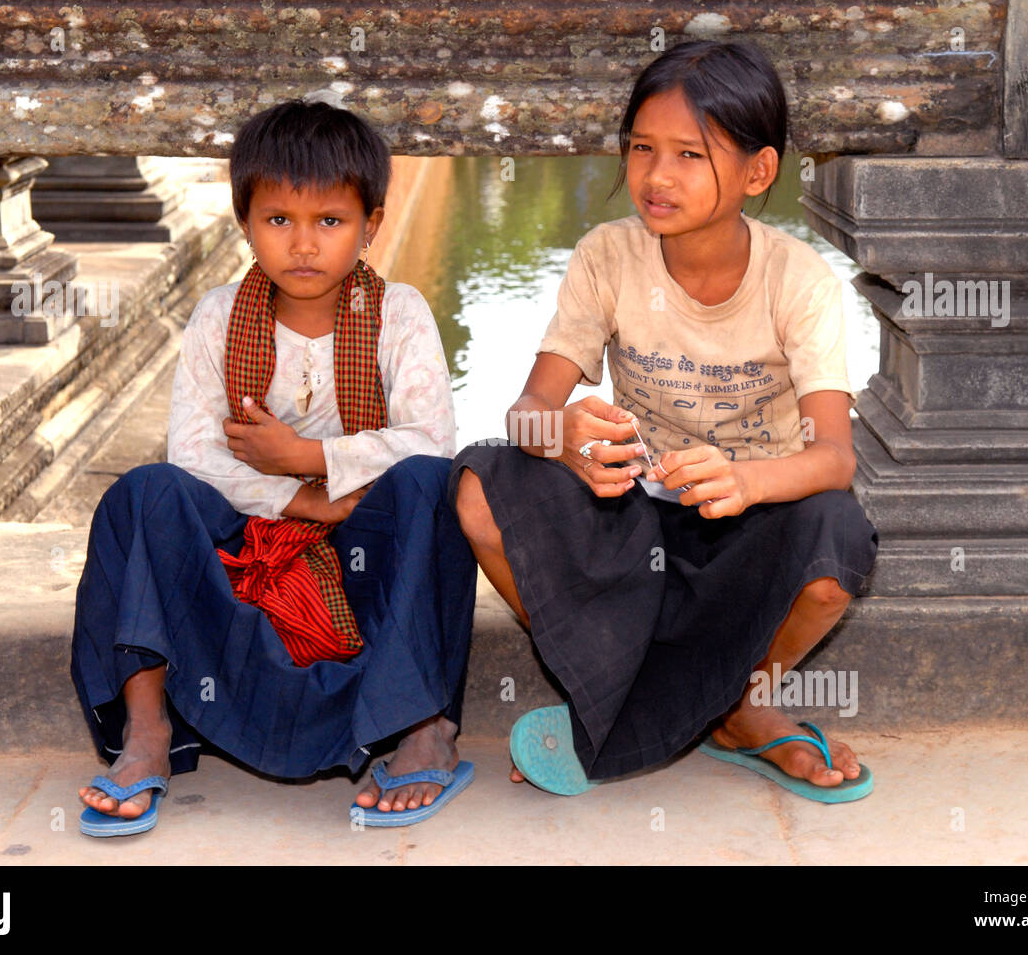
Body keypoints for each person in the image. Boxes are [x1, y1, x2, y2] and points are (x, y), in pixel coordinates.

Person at [449, 40, 880, 802]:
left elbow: (835, 458)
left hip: (747, 526)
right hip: (633, 516)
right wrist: (567, 439)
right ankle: (603, 678)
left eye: (690, 154)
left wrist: (747, 481)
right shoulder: (608, 256)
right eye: (643, 147)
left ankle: (744, 706)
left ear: (758, 172)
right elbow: (526, 415)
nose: (655, 175)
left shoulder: (798, 281)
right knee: (482, 483)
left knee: (836, 542)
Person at [71, 99, 477, 835]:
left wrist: (310, 455)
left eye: (330, 221)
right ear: (245, 223)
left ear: (372, 225)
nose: (303, 245)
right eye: (278, 220)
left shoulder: (401, 314)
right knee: (144, 493)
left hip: (365, 563)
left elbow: (430, 440)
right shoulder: (218, 318)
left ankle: (424, 723)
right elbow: (194, 456)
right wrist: (304, 498)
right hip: (254, 550)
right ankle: (148, 731)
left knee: (432, 484)